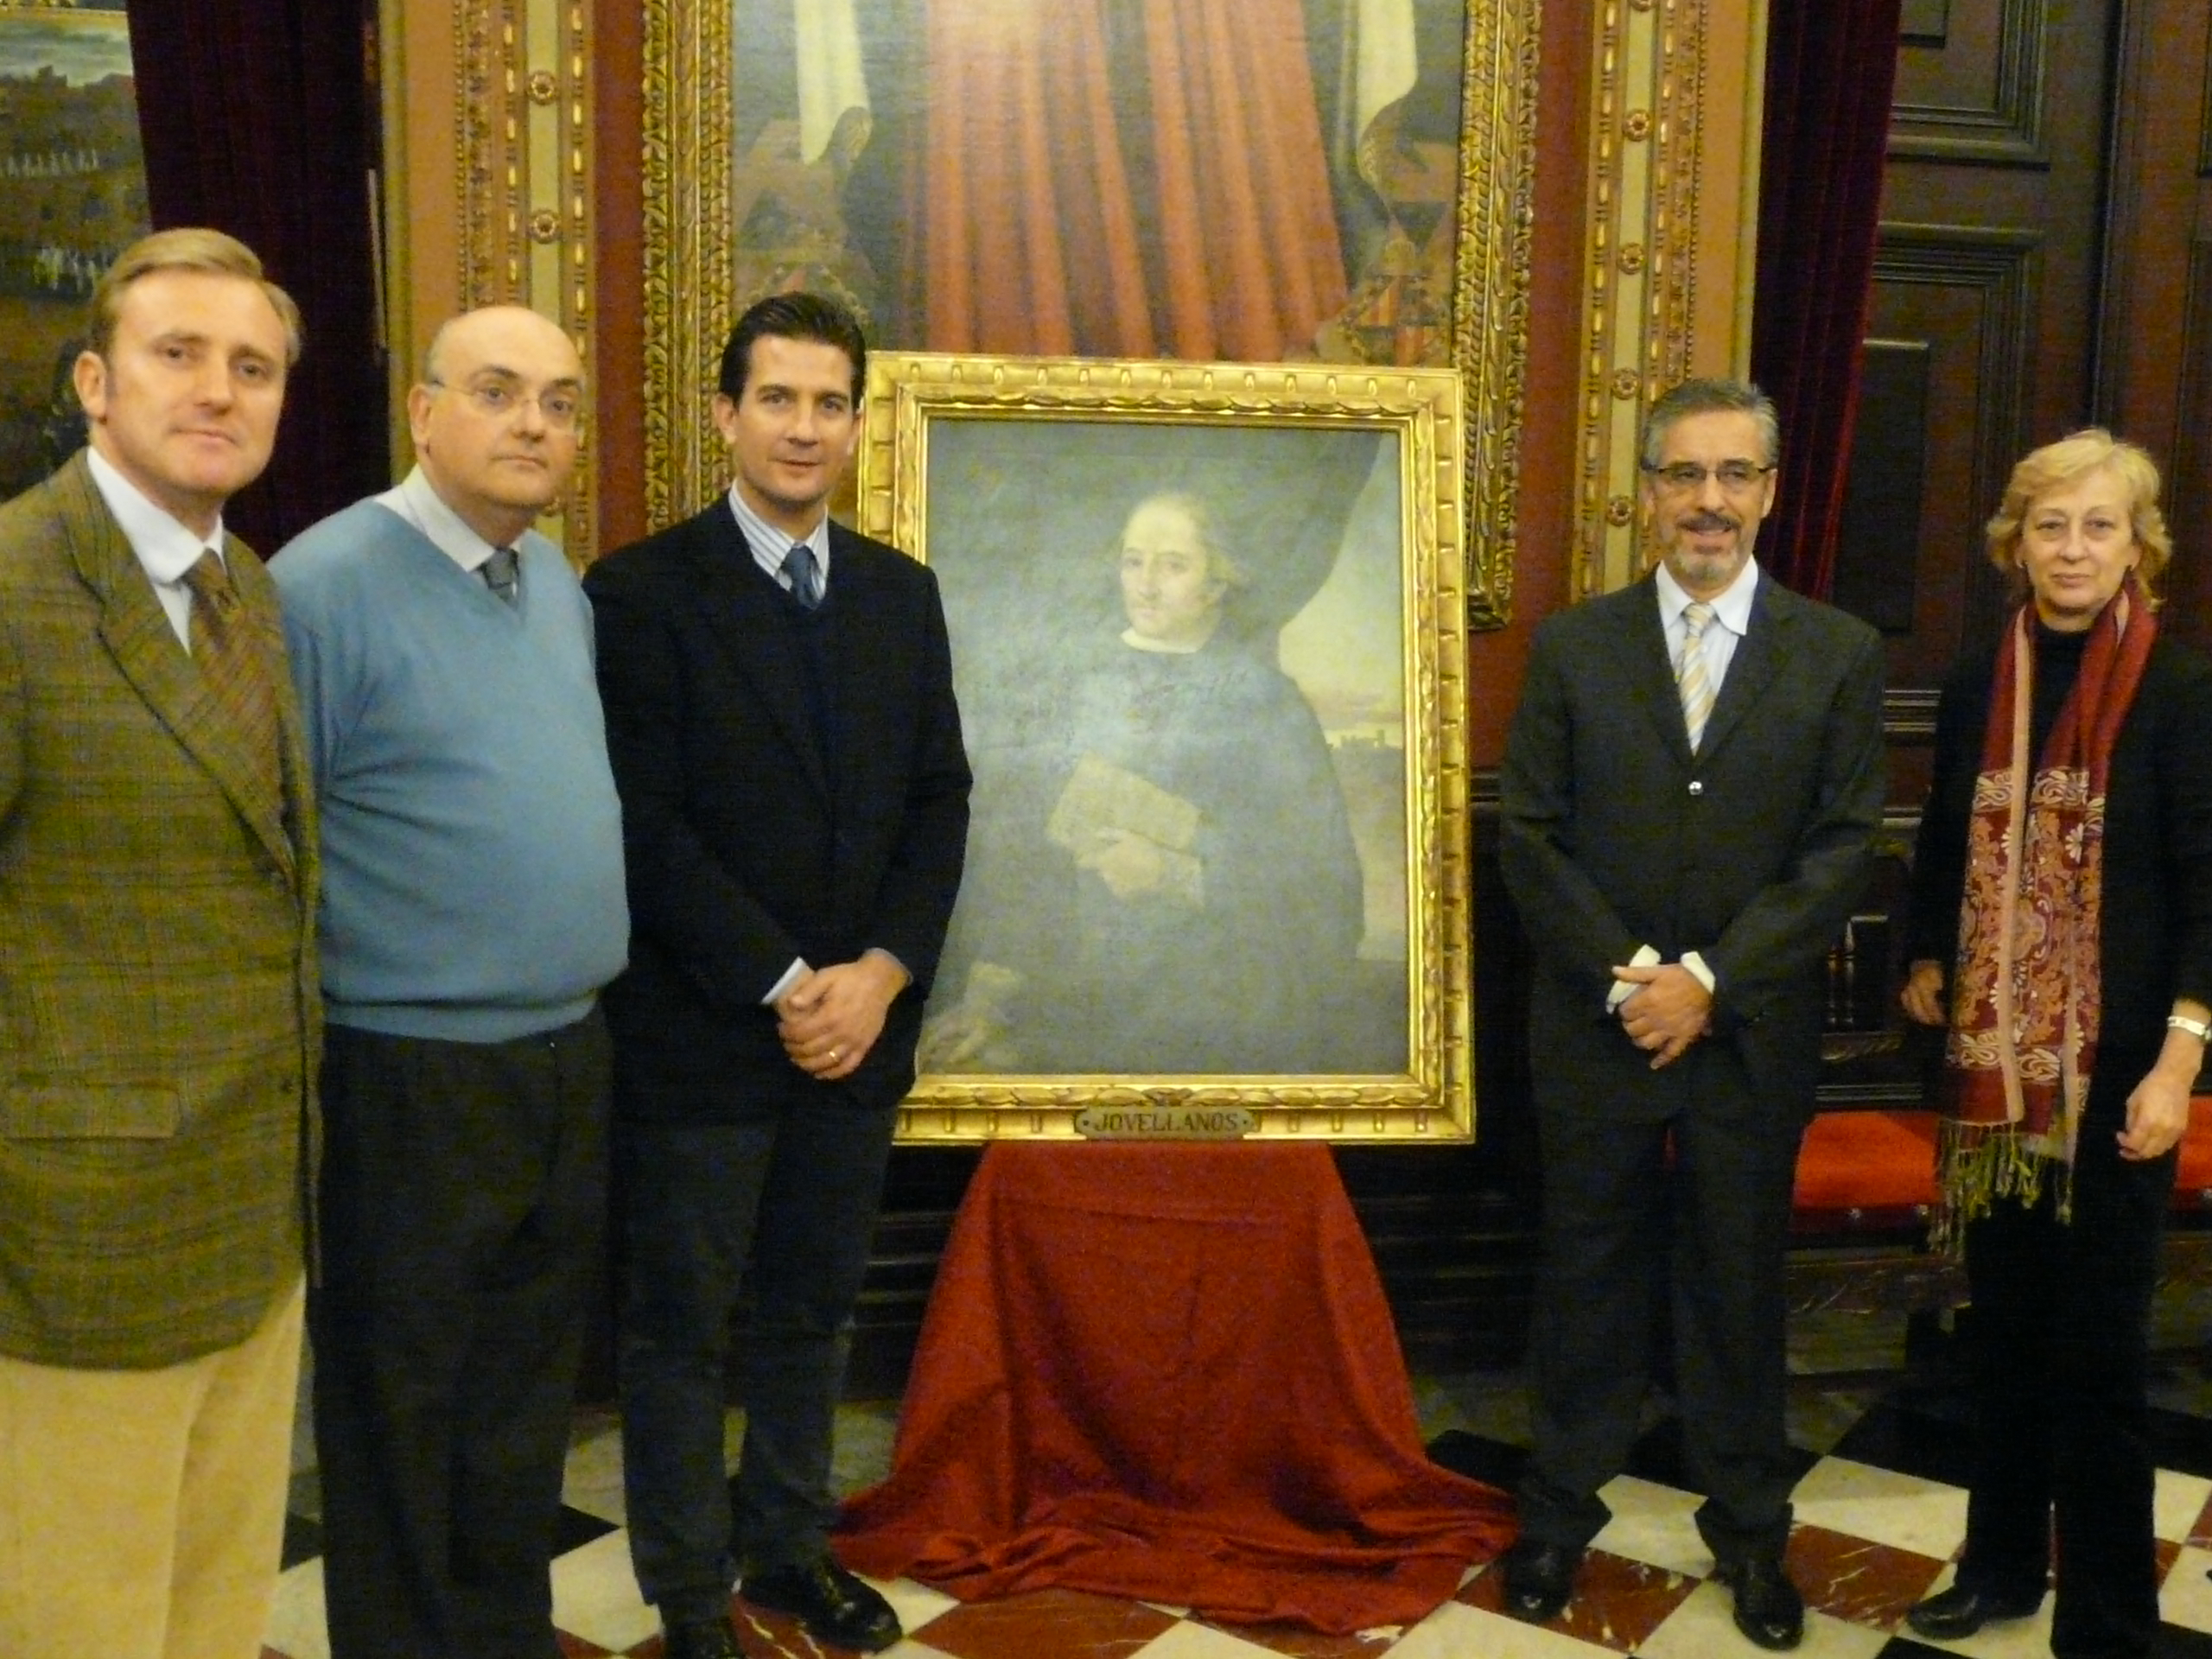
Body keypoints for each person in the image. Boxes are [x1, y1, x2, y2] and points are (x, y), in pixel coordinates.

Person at [584, 292, 969, 1659]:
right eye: (779, 399)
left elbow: (941, 802)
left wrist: (876, 973)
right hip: (704, 1034)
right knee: (681, 1328)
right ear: (725, 414)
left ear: (859, 424)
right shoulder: (636, 593)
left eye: (829, 403)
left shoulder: (899, 592)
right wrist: (786, 979)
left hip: (859, 1034)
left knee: (812, 1312)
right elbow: (642, 826)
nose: (804, 427)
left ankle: (790, 1547)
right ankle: (692, 1597)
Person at [1497, 377, 1886, 1650]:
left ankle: (1753, 1538)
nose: (1707, 501)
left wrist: (1710, 983)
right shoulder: (1575, 645)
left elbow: (1838, 850)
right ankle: (1558, 1517)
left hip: (1749, 1035)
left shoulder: (1837, 653)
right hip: (1597, 1029)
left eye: (1734, 476)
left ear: (1770, 493)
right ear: (1648, 491)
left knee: (1736, 1286)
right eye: (1683, 475)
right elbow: (1532, 840)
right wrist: (1634, 977)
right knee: (1586, 1275)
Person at [273, 306, 629, 1659]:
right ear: (424, 413)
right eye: (497, 392)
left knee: (520, 1393)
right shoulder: (322, 585)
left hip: (561, 1055)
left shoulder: (552, 583)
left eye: (558, 399)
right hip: (406, 1072)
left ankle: (496, 1631)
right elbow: (277, 847)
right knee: (401, 1399)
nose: (534, 423)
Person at [0, 228, 319, 1657]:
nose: (217, 389)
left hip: (253, 1207)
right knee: (80, 1620)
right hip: (75, 1235)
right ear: (94, 381)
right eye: (177, 355)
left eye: (250, 366)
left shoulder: (244, 587)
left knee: (212, 1606)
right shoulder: (13, 590)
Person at [1897, 431, 2212, 1659]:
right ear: (2013, 543)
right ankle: (2001, 1570)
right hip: (1998, 1081)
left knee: (2101, 1363)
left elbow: (2207, 889)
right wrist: (1929, 955)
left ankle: (2110, 1616)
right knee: (2005, 1340)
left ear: (2137, 547)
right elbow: (1941, 833)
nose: (2071, 550)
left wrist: (2181, 1065)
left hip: (2122, 1079)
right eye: (2049, 526)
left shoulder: (2181, 691)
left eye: (2097, 527)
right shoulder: (1986, 678)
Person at [925, 488, 1364, 1073]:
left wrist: (1176, 874)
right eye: (1134, 561)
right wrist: (988, 998)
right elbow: (1022, 860)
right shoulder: (1073, 682)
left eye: (1174, 565)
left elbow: (1323, 887)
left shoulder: (1267, 705)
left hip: (1214, 1001)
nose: (1146, 584)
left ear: (1218, 582)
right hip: (1067, 992)